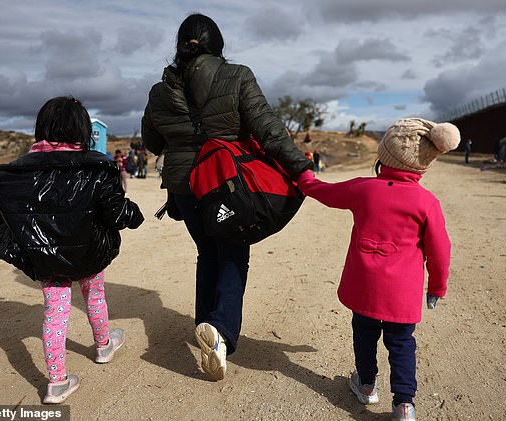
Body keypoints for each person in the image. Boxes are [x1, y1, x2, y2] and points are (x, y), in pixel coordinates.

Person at [141, 14, 313, 381]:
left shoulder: (160, 90)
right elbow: (267, 127)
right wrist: (300, 168)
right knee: (234, 255)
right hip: (227, 184)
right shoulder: (237, 77)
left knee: (207, 252)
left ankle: (205, 323)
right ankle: (219, 333)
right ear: (217, 45)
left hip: (185, 188)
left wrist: (183, 137)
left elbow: (153, 142)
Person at [297, 118, 459, 421]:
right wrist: (437, 287)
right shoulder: (427, 202)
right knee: (401, 343)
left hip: (365, 288)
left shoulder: (364, 189)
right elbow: (440, 251)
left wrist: (304, 176)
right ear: (424, 164)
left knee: (364, 333)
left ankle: (367, 384)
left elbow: (323, 191)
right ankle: (404, 404)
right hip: (402, 293)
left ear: (384, 156)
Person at [0, 96, 144, 404]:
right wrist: (134, 215)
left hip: (45, 258)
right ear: (83, 130)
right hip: (90, 254)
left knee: (55, 312)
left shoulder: (10, 175)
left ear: (41, 128)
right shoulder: (99, 168)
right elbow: (117, 214)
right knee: (94, 294)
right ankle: (103, 346)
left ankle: (57, 382)